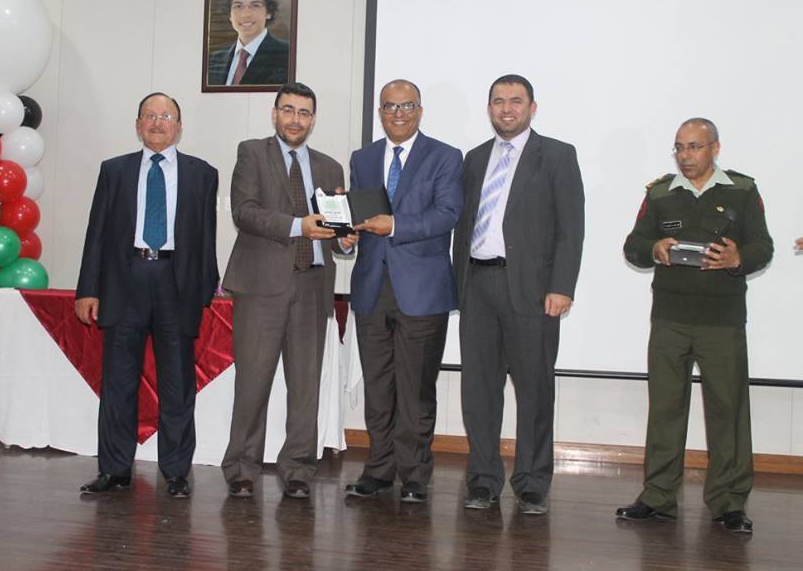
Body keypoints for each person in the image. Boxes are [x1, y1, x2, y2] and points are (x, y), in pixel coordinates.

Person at [617, 118, 773, 534]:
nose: (685, 156)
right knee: (665, 410)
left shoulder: (742, 190)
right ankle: (658, 496)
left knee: (728, 411)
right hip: (670, 320)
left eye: (694, 147)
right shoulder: (660, 193)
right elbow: (633, 246)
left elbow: (763, 246)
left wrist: (738, 258)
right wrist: (654, 247)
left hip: (722, 322)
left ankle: (728, 502)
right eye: (679, 148)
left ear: (715, 148)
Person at [75, 92, 219, 498]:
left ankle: (176, 472)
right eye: (150, 116)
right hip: (125, 280)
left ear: (179, 126)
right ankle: (114, 469)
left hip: (176, 282)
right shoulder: (114, 171)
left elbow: (205, 237)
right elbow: (97, 233)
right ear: (138, 125)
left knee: (177, 384)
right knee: (118, 382)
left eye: (166, 116)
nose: (158, 123)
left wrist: (204, 289)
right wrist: (89, 289)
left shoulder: (202, 174)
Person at [453, 74, 585, 515]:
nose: (506, 109)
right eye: (498, 101)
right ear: (489, 108)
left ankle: (531, 483)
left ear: (532, 107)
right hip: (478, 286)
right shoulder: (474, 159)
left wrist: (562, 286)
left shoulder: (558, 156)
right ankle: (483, 480)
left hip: (532, 292)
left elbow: (571, 229)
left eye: (515, 101)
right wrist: (459, 286)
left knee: (534, 391)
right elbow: (463, 227)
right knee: (479, 392)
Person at [221, 82, 353, 499]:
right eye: (289, 110)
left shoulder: (331, 167)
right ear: (274, 113)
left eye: (304, 113)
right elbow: (244, 212)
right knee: (253, 382)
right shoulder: (251, 153)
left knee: (306, 385)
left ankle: (298, 467)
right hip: (261, 287)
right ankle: (241, 466)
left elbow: (336, 229)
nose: (296, 119)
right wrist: (299, 226)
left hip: (313, 285)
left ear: (313, 120)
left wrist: (345, 240)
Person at [343, 79, 463, 504]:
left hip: (422, 291)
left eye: (406, 106)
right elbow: (358, 218)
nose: (398, 114)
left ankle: (414, 474)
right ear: (380, 112)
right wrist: (345, 237)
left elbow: (447, 214)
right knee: (378, 388)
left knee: (415, 390)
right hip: (371, 287)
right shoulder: (363, 158)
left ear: (420, 110)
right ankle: (379, 469)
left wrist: (393, 225)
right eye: (390, 106)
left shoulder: (446, 157)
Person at [207, 0, 290, 86]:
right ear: (229, 14)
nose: (245, 14)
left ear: (269, 12)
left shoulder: (286, 55)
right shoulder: (215, 60)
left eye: (255, 5)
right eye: (238, 6)